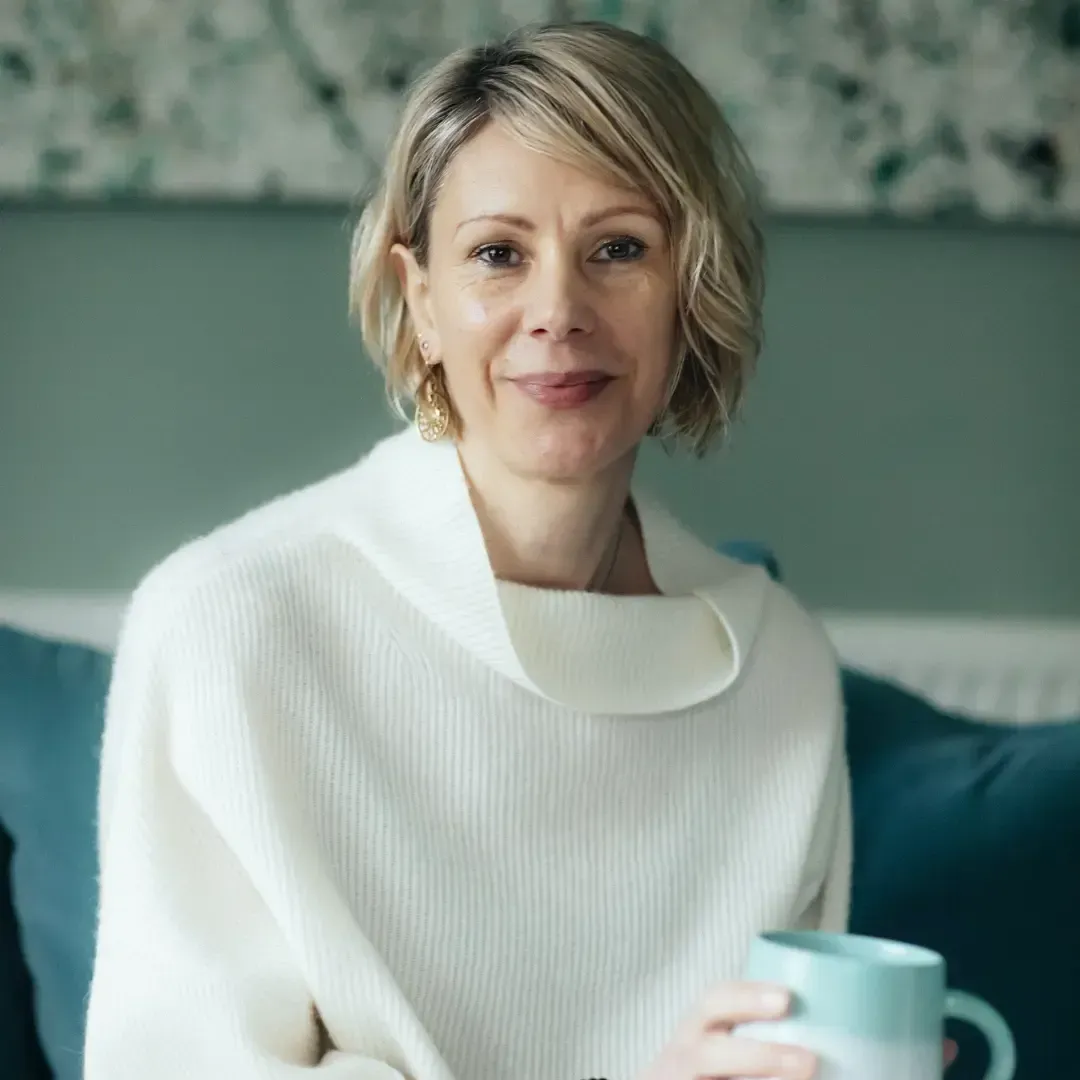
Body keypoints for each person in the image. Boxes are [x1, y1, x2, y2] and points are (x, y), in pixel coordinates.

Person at [84, 21, 852, 1080]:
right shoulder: (228, 625)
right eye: (499, 254)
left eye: (619, 249)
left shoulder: (780, 669)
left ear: (691, 289)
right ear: (422, 299)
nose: (559, 312)